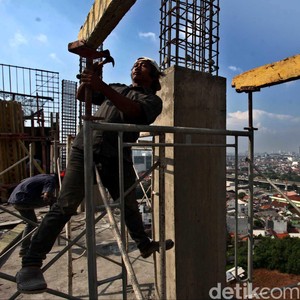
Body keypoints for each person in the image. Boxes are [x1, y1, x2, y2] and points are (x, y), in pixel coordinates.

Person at [16, 57, 174, 293]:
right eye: (134, 64)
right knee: (66, 205)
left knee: (129, 203)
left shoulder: (152, 99)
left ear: (153, 77)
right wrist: (92, 76)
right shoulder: (119, 88)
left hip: (115, 154)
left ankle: (143, 244)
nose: (136, 66)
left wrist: (102, 86)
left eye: (143, 65)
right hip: (85, 148)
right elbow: (82, 95)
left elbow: (137, 113)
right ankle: (31, 263)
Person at [8, 174, 59, 257]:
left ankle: (24, 250)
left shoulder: (42, 176)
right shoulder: (51, 180)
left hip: (16, 199)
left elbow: (23, 181)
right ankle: (51, 221)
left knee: (31, 223)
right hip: (23, 200)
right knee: (56, 201)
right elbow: (46, 196)